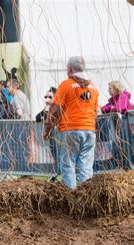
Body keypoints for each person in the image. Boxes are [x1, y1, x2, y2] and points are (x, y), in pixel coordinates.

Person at [43, 56, 99, 189]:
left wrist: (46, 129)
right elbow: (95, 111)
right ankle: (86, 197)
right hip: (89, 130)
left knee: (68, 165)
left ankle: (71, 198)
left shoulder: (66, 85)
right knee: (85, 166)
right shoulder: (93, 87)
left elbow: (55, 110)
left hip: (70, 130)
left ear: (70, 69)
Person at [36, 87, 58, 182]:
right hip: (53, 137)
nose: (47, 99)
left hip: (61, 137)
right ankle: (55, 175)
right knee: (55, 156)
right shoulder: (48, 108)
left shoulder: (58, 106)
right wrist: (46, 108)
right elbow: (37, 117)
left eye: (50, 97)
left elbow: (52, 117)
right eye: (46, 97)